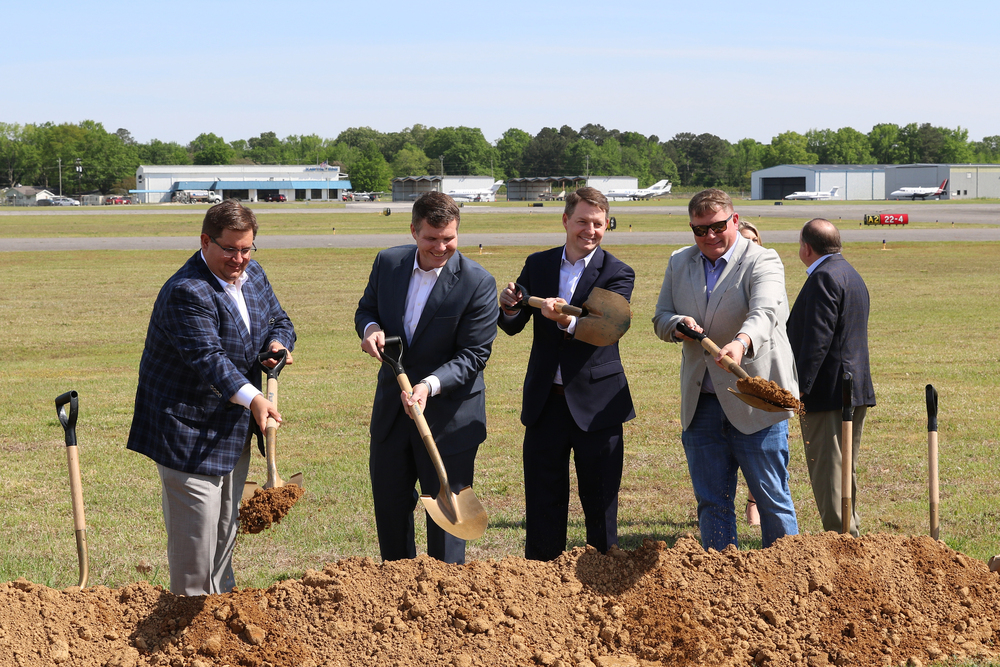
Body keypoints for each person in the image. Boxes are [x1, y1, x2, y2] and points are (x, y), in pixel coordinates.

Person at [127, 199, 296, 595]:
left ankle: (222, 615)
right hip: (187, 431)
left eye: (247, 248)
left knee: (224, 531)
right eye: (229, 249)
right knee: (197, 541)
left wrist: (277, 343)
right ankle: (188, 622)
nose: (239, 258)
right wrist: (255, 399)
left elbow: (280, 320)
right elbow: (209, 359)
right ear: (205, 241)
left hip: (231, 428)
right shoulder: (186, 291)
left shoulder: (253, 276)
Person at [652, 188, 799, 551]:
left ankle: (786, 579)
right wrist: (676, 324)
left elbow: (765, 313)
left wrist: (741, 342)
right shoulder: (678, 262)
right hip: (700, 404)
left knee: (772, 502)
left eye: (717, 226)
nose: (709, 236)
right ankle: (721, 581)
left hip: (754, 402)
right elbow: (659, 319)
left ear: (734, 220)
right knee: (711, 504)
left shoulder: (763, 260)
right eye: (699, 230)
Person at [355, 191, 497, 564]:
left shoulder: (477, 282)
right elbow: (367, 307)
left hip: (450, 420)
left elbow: (474, 355)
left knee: (448, 526)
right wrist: (370, 329)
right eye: (431, 238)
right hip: (392, 414)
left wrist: (428, 386)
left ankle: (447, 603)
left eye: (449, 238)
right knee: (390, 511)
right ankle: (397, 597)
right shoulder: (388, 263)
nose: (440, 246)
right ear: (414, 230)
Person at [498, 187, 635, 561]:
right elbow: (513, 323)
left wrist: (565, 320)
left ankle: (604, 571)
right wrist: (510, 306)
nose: (589, 230)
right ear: (565, 221)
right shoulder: (538, 264)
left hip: (599, 406)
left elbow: (607, 328)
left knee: (601, 499)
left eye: (598, 223)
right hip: (546, 404)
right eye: (582, 222)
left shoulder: (618, 272)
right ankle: (542, 583)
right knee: (543, 498)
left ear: (607, 225)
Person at [787, 218, 875, 537]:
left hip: (828, 394)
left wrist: (799, 391)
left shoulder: (823, 277)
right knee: (842, 470)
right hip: (853, 389)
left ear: (806, 248)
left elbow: (816, 341)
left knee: (829, 473)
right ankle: (848, 534)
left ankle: (843, 542)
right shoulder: (850, 273)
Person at [737, 219, 763, 527]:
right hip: (727, 366)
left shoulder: (766, 272)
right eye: (744, 240)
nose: (750, 245)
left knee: (759, 440)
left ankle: (754, 500)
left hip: (759, 366)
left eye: (754, 240)